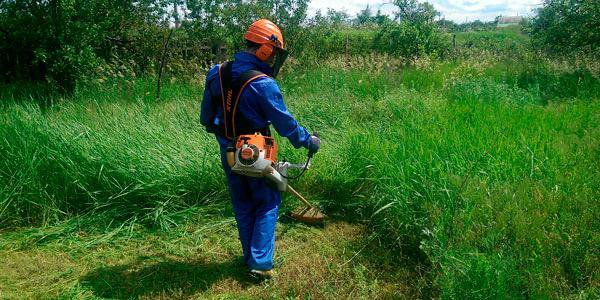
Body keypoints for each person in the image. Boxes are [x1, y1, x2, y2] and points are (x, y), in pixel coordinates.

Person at [199, 19, 320, 280]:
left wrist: (227, 134)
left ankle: (249, 258)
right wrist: (309, 141)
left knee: (242, 204)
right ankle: (260, 264)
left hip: (229, 151)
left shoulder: (216, 72)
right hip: (257, 153)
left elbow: (205, 119)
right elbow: (285, 124)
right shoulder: (263, 83)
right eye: (274, 52)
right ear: (265, 49)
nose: (274, 58)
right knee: (266, 203)